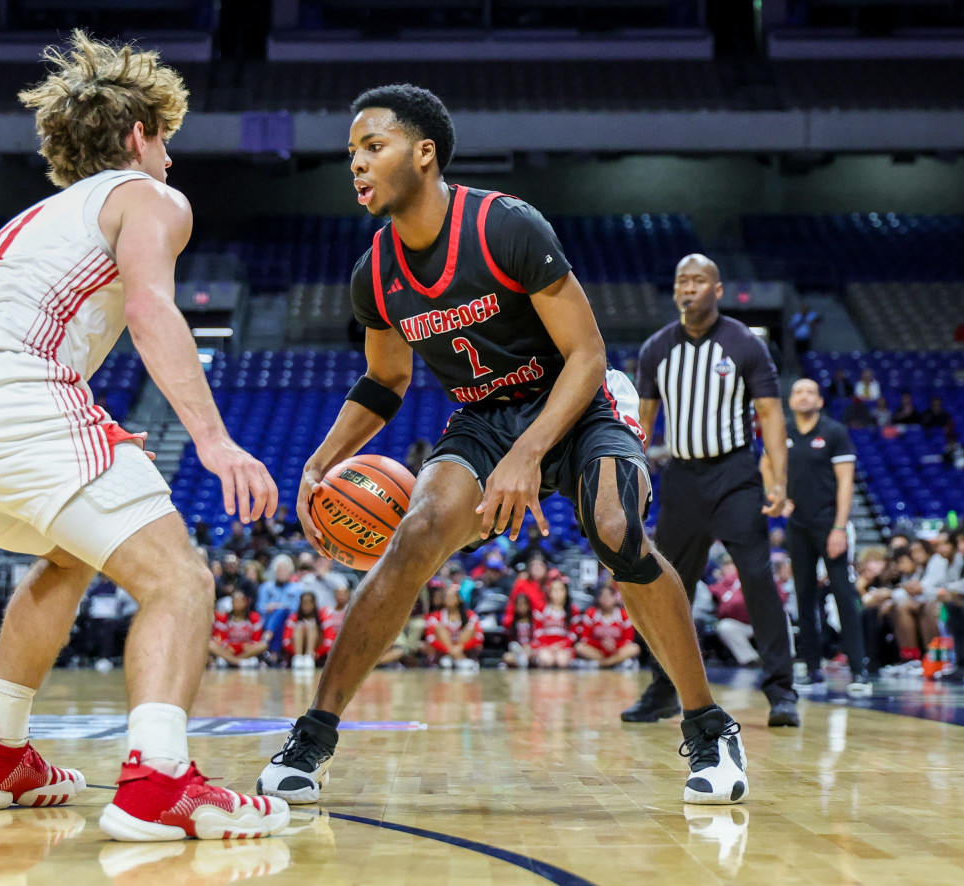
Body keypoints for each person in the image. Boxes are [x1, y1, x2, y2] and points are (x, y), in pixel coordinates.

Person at [257, 85, 747, 808]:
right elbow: (384, 380)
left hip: (579, 405)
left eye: (373, 147)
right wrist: (320, 459)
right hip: (485, 417)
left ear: (424, 153)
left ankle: (709, 727)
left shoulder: (504, 226)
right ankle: (312, 739)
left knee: (616, 533)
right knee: (416, 533)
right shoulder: (377, 273)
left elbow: (585, 354)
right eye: (351, 153)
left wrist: (529, 455)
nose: (356, 165)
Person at [0, 31, 287, 842]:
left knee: (70, 551)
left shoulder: (40, 214)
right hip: (5, 395)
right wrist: (213, 441)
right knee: (179, 579)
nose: (171, 159)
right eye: (165, 140)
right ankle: (160, 782)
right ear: (139, 135)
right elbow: (148, 307)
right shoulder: (150, 197)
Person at [633, 253, 799, 727]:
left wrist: (778, 481)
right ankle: (663, 690)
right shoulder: (656, 348)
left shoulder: (745, 343)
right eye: (682, 280)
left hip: (734, 475)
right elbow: (642, 423)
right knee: (666, 588)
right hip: (682, 479)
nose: (689, 287)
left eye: (698, 280)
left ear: (717, 290)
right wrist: (636, 479)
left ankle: (781, 692)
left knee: (757, 577)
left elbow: (769, 414)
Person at [771, 378, 870, 693]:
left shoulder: (834, 432)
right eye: (797, 391)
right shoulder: (784, 431)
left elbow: (845, 483)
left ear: (820, 401)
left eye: (810, 392)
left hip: (830, 523)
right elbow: (768, 466)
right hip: (797, 525)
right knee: (804, 596)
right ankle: (811, 667)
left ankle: (858, 670)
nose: (803, 396)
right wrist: (778, 494)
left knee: (844, 593)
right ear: (791, 400)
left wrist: (840, 527)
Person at [574, 581, 639, 668]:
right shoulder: (591, 613)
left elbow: (628, 640)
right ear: (599, 598)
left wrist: (614, 645)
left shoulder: (623, 615)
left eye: (609, 596)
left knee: (634, 648)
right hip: (597, 651)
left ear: (615, 598)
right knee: (579, 647)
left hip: (616, 650)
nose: (606, 599)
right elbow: (585, 638)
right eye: (603, 596)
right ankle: (617, 662)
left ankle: (602, 664)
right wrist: (600, 643)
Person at [422, 582, 485, 671]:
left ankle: (456, 658)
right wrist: (449, 649)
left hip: (464, 648)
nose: (449, 599)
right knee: (439, 628)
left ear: (459, 599)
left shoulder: (470, 615)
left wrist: (461, 647)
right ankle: (459, 659)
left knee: (471, 627)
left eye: (452, 597)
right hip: (444, 651)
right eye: (447, 597)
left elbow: (479, 636)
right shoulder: (436, 616)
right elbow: (430, 638)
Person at [209, 589, 268, 669]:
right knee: (210, 645)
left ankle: (232, 660)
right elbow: (220, 637)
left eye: (239, 601)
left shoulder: (254, 617)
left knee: (263, 645)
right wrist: (227, 646)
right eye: (234, 601)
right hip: (229, 649)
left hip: (246, 649)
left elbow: (257, 638)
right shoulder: (224, 618)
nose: (236, 604)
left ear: (245, 602)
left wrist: (249, 645)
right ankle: (237, 661)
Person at [531, 574, 578, 669]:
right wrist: (549, 646)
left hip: (564, 646)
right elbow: (537, 631)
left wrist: (561, 645)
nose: (558, 593)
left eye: (561, 589)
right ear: (549, 592)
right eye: (555, 590)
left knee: (562, 661)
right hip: (544, 645)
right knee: (547, 660)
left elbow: (573, 634)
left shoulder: (573, 610)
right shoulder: (541, 608)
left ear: (566, 591)